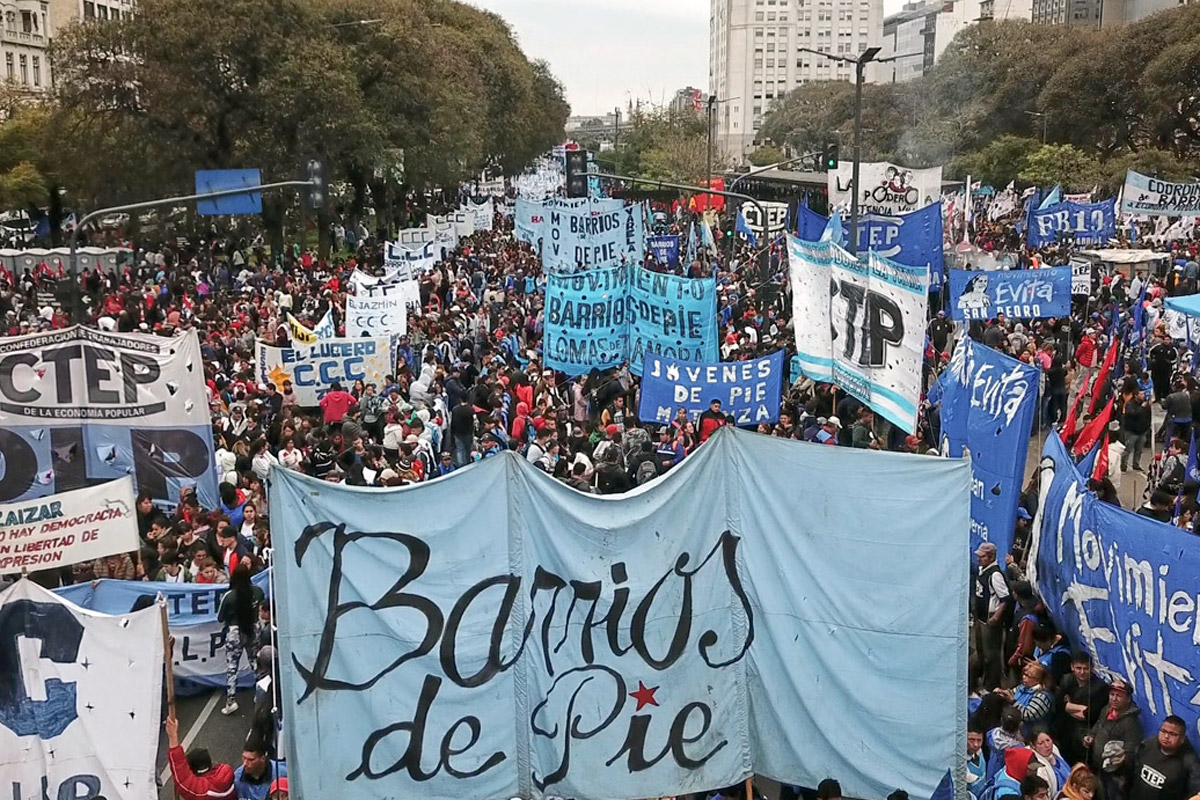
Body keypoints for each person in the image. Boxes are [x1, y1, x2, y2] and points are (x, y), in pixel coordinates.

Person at [218, 563, 265, 715]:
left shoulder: (229, 596)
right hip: (253, 629)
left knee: (232, 666)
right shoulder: (258, 591)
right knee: (255, 661)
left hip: (234, 632)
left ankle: (231, 700)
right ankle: (262, 694)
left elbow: (220, 617)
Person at [1086, 679, 1143, 800]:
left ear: (1128, 699)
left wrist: (1120, 761)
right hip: (1098, 766)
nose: (1114, 699)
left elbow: (1132, 751)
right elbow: (1098, 725)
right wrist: (1091, 736)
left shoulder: (1131, 723)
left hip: (1115, 776)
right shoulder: (1106, 710)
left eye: (1119, 696)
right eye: (1112, 694)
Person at [1054, 652, 1109, 765]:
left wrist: (1068, 706)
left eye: (1086, 669)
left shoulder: (1100, 687)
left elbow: (1090, 714)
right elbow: (1058, 704)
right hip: (1065, 731)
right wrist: (1078, 708)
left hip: (1084, 735)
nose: (1082, 672)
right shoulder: (1067, 679)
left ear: (1092, 668)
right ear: (1072, 667)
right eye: (1078, 668)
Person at [1128, 716, 1200, 800]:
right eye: (1163, 731)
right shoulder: (1147, 745)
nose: (1166, 736)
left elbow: (1194, 794)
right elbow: (1133, 771)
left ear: (1182, 739)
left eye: (1172, 734)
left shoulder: (1189, 762)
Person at [974, 541, 1011, 691]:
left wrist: (996, 617)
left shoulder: (995, 575)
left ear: (990, 557)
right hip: (980, 617)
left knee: (991, 655)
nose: (979, 559)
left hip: (990, 619)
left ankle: (991, 685)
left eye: (982, 557)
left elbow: (1005, 598)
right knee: (981, 652)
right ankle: (982, 679)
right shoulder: (982, 570)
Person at [1029, 729, 1072, 799]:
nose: (1047, 745)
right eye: (1041, 743)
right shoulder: (1039, 770)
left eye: (1048, 740)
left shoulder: (1054, 750)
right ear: (1033, 746)